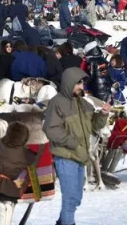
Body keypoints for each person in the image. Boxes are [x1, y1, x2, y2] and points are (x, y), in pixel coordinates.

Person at [43, 67, 110, 225]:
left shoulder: (83, 103)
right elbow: (50, 129)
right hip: (66, 157)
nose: (81, 86)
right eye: (78, 83)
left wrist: (103, 115)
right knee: (70, 198)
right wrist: (72, 142)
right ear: (68, 83)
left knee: (76, 198)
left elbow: (94, 126)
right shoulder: (57, 102)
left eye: (82, 83)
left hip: (81, 156)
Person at [0, 122, 36, 224]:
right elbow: (34, 160)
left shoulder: (0, 143)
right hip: (6, 189)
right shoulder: (24, 153)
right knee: (6, 209)